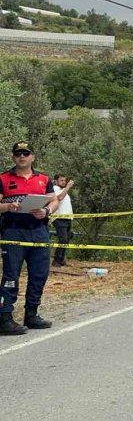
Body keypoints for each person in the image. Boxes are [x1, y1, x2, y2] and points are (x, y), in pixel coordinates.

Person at [0, 141, 58, 335]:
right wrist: (8, 207)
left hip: (38, 229)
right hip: (13, 230)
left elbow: (54, 199)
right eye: (18, 153)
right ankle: (5, 317)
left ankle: (32, 314)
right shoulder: (3, 178)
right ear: (13, 157)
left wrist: (47, 210)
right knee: (10, 275)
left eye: (26, 153)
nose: (22, 157)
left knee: (39, 274)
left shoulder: (43, 178)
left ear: (33, 156)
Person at [51, 174, 75, 267]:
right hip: (59, 218)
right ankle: (56, 260)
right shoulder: (54, 189)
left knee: (67, 239)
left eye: (65, 180)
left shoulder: (64, 191)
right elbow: (60, 198)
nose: (64, 182)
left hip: (67, 218)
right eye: (61, 180)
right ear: (56, 181)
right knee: (63, 239)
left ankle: (61, 260)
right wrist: (68, 187)